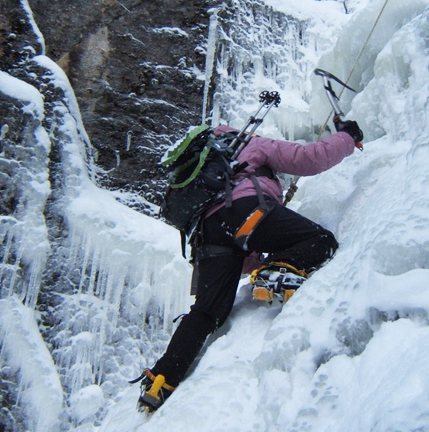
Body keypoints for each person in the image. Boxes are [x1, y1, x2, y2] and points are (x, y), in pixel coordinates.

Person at [135, 119, 365, 412]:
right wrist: (347, 136)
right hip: (244, 212)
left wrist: (260, 258)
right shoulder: (251, 143)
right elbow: (309, 158)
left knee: (207, 312)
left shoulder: (207, 171)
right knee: (320, 240)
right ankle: (277, 275)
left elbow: (242, 261)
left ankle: (161, 379)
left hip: (208, 236)